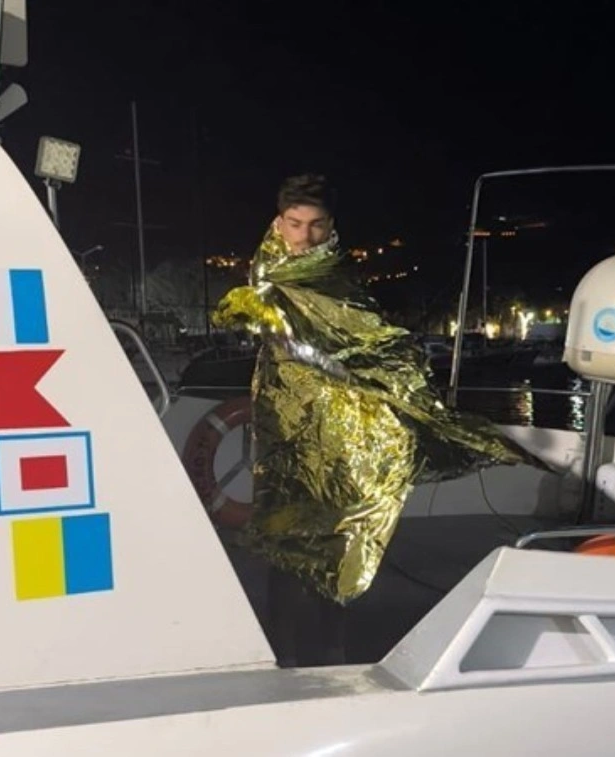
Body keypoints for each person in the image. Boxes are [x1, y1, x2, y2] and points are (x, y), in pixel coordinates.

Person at [213, 174, 541, 667]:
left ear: (331, 225)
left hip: (339, 424)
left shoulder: (338, 278)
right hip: (283, 421)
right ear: (279, 223)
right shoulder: (267, 273)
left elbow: (364, 340)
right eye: (295, 224)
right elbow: (277, 334)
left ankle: (330, 649)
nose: (304, 236)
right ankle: (281, 651)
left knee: (337, 533)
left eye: (316, 225)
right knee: (282, 533)